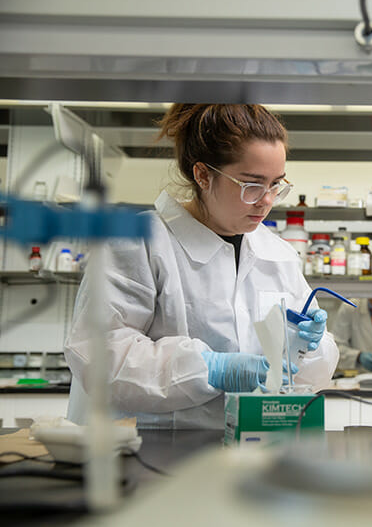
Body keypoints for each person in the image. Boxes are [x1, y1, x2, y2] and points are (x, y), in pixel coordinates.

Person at [64, 104, 338, 429]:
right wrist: (210, 368)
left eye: (276, 184)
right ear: (203, 175)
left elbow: (303, 374)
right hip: (150, 446)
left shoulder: (278, 255)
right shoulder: (139, 243)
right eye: (251, 185)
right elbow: (97, 354)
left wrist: (309, 348)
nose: (266, 200)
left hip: (248, 442)